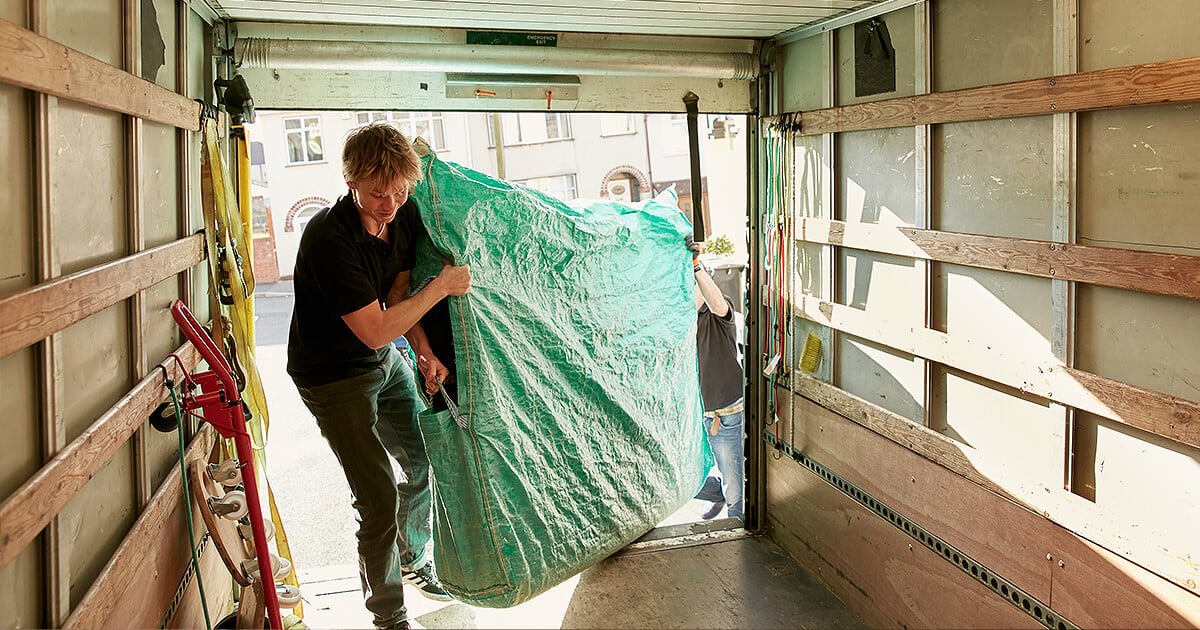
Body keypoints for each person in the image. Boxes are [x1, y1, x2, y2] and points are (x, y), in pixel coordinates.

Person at [287, 122, 471, 630]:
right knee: (377, 496)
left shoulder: (404, 215)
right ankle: (388, 615)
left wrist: (426, 354)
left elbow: (396, 299)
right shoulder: (327, 236)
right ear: (350, 181)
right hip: (331, 375)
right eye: (377, 193)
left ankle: (412, 558)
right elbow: (372, 330)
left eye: (399, 191)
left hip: (383, 358)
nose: (390, 203)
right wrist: (445, 288)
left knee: (422, 458)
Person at [687, 236, 744, 521]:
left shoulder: (720, 315)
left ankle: (736, 529)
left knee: (736, 492)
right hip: (700, 414)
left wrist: (696, 267)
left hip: (727, 413)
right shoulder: (684, 325)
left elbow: (714, 300)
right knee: (685, 476)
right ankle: (718, 492)